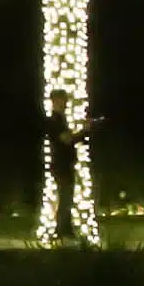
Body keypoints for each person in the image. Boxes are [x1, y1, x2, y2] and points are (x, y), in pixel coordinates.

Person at [41, 88, 97, 243]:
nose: (66, 103)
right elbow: (66, 139)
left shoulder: (59, 120)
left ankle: (65, 231)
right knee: (65, 198)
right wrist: (83, 131)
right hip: (61, 165)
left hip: (63, 164)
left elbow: (67, 139)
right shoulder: (54, 121)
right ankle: (61, 232)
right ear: (56, 101)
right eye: (63, 100)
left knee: (67, 198)